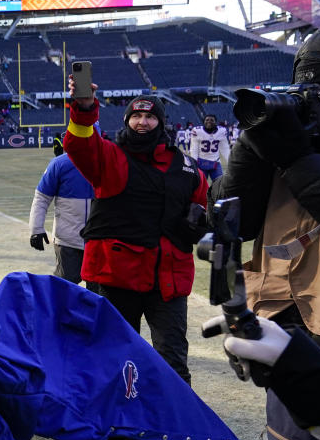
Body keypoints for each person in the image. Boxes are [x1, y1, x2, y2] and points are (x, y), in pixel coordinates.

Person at [208, 23, 320, 440]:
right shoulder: (286, 139)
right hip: (293, 333)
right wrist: (256, 147)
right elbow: (227, 220)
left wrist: (300, 155)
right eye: (313, 90)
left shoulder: (302, 150)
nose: (319, 103)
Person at [63, 85, 208, 385]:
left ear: (162, 122)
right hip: (117, 278)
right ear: (127, 120)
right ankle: (117, 428)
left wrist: (199, 224)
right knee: (115, 360)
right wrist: (84, 107)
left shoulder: (188, 168)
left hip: (169, 280)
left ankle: (176, 427)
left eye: (150, 116)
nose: (142, 121)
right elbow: (78, 144)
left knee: (173, 362)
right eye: (136, 116)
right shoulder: (110, 158)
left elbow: (201, 211)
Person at [27, 152, 93, 284]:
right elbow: (42, 197)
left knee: (98, 292)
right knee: (64, 289)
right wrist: (36, 229)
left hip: (99, 241)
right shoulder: (60, 163)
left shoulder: (107, 160)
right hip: (68, 242)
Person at [190, 114, 230, 180]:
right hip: (201, 162)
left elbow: (224, 148)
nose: (209, 121)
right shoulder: (197, 131)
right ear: (204, 121)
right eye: (207, 120)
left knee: (219, 184)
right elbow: (194, 148)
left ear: (215, 122)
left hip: (215, 161)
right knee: (201, 184)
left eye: (212, 120)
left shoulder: (221, 131)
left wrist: (229, 161)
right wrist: (193, 163)